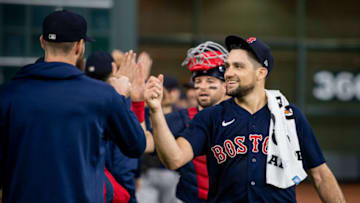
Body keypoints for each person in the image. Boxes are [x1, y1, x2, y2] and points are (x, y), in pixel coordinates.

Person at [144, 35, 346, 202]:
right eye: (228, 66)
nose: (229, 73)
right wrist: (155, 110)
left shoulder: (289, 115)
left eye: (238, 67)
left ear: (261, 73)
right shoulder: (211, 117)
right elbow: (174, 158)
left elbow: (320, 175)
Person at [0, 10, 147, 203]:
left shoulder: (8, 94)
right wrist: (120, 97)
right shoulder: (102, 96)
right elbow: (136, 145)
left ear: (42, 41)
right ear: (80, 47)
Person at [165, 41, 228, 202]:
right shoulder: (182, 117)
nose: (202, 87)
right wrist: (151, 109)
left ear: (225, 85)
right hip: (191, 197)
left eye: (210, 81)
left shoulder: (243, 116)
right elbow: (144, 141)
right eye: (198, 82)